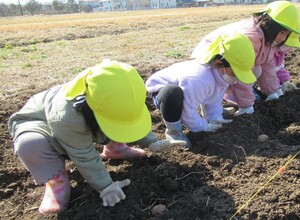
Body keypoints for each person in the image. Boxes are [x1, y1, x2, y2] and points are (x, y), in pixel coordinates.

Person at [8, 59, 179, 215]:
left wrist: (152, 141)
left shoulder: (118, 92)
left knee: (114, 116)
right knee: (30, 144)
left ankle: (115, 148)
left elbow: (129, 118)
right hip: (41, 127)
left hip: (86, 119)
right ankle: (56, 181)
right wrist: (105, 186)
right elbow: (83, 155)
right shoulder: (67, 115)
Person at [145, 33, 256, 148]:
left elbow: (215, 97)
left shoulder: (220, 73)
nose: (237, 77)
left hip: (190, 90)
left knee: (201, 95)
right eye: (235, 72)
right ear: (219, 63)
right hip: (163, 93)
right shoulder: (198, 79)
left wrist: (214, 117)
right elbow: (187, 111)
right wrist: (203, 127)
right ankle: (174, 131)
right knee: (173, 95)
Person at [191, 1, 300, 116]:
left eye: (286, 35)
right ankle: (214, 105)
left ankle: (220, 103)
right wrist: (246, 106)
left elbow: (268, 66)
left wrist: (272, 92)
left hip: (226, 65)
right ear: (271, 25)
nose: (283, 38)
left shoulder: (267, 37)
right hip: (210, 63)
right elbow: (241, 71)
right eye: (282, 33)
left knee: (257, 69)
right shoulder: (251, 38)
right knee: (244, 72)